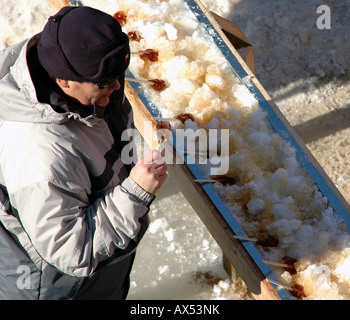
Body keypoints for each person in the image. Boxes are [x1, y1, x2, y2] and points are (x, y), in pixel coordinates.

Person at [0, 6, 168, 299]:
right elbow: (71, 251)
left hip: (105, 251)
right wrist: (135, 193)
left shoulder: (67, 60)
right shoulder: (40, 157)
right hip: (57, 284)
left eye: (119, 74)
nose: (117, 86)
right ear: (64, 81)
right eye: (105, 82)